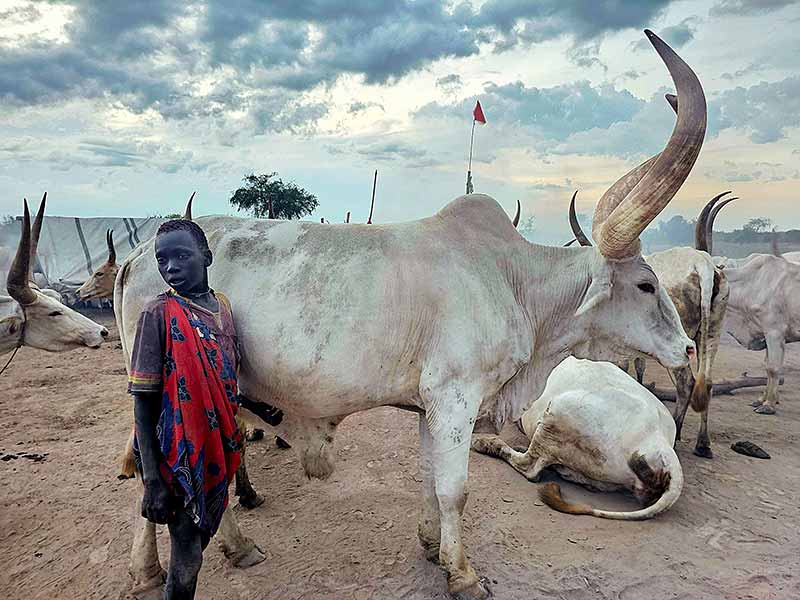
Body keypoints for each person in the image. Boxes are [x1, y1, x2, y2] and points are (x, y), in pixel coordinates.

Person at [128, 219, 245, 599]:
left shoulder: (223, 307)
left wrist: (258, 407)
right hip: (176, 455)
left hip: (219, 446)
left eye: (181, 255)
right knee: (187, 560)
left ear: (207, 257)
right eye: (162, 259)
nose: (170, 267)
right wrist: (152, 481)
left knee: (199, 543)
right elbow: (143, 400)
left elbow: (226, 372)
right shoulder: (156, 313)